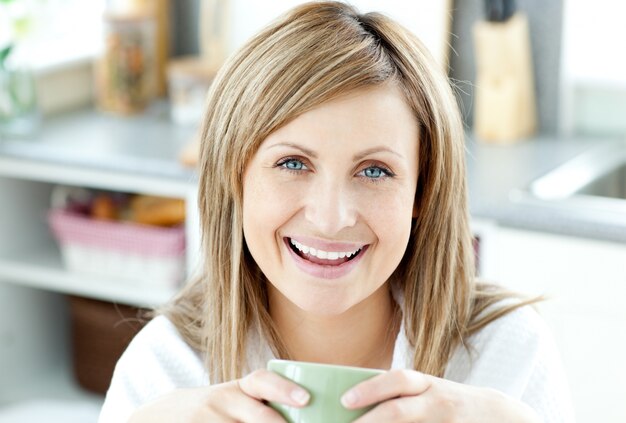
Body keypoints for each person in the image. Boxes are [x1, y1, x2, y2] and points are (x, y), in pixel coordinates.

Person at [99, 2, 574, 422]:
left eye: (374, 171)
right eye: (292, 163)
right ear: (234, 177)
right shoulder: (166, 370)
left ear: (422, 191)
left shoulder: (505, 356)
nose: (330, 219)